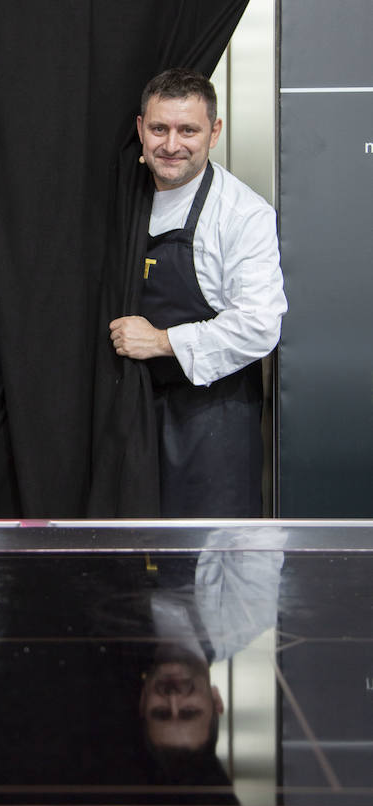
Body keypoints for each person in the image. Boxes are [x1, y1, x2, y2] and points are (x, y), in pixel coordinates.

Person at [109, 68, 287, 517]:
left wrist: (160, 340)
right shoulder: (119, 201)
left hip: (212, 418)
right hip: (132, 414)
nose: (171, 145)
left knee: (209, 566)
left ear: (215, 132)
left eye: (188, 129)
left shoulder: (243, 215)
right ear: (139, 129)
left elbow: (259, 326)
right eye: (159, 129)